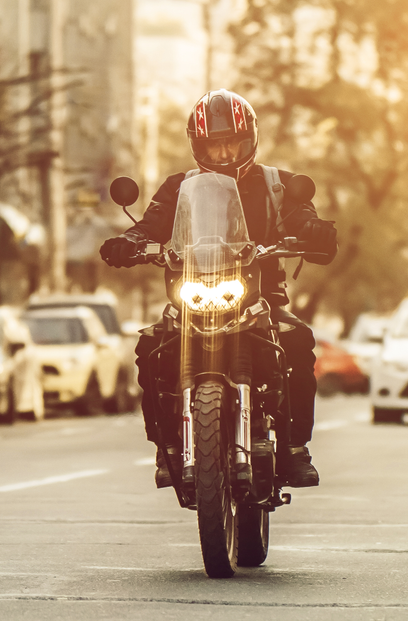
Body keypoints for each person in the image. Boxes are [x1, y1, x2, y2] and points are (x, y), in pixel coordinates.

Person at [99, 89, 336, 489]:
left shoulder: (280, 185)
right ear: (199, 146)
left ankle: (295, 449)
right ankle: (168, 447)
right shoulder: (178, 187)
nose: (224, 153)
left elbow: (302, 218)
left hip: (261, 300)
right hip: (192, 296)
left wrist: (312, 231)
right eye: (214, 144)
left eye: (232, 143)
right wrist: (130, 241)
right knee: (151, 349)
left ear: (249, 140)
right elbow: (151, 225)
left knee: (297, 342)